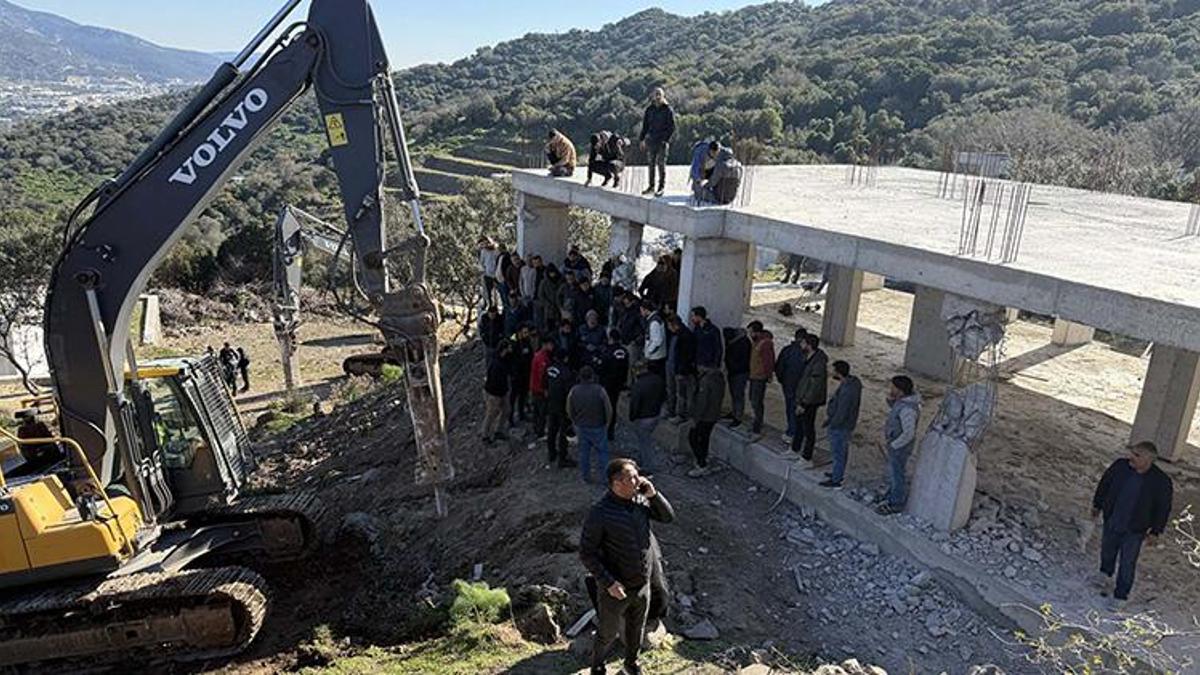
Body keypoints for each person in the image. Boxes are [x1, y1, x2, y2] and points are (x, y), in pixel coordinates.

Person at [580, 458, 675, 675]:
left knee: (636, 631)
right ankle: (598, 667)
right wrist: (609, 582)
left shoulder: (641, 502)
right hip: (615, 590)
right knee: (607, 633)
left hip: (642, 587)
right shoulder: (600, 512)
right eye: (631, 477)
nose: (638, 480)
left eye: (637, 475)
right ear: (616, 483)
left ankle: (631, 664)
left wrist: (654, 495)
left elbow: (668, 517)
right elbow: (587, 553)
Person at [1091, 441, 1174, 607]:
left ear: (1149, 459)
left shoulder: (1161, 481)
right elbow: (1105, 483)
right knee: (1107, 549)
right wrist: (1097, 504)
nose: (1131, 457)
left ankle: (1121, 596)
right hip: (1113, 519)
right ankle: (1105, 574)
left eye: (1137, 455)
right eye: (1132, 452)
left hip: (1135, 529)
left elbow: (1163, 508)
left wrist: (1156, 532)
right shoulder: (1120, 466)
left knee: (1127, 562)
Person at [879, 375, 921, 515]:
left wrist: (894, 445)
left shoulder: (908, 410)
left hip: (899, 448)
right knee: (893, 471)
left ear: (901, 391)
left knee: (898, 474)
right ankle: (892, 495)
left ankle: (896, 503)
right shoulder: (902, 402)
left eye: (893, 388)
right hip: (896, 445)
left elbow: (909, 433)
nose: (891, 389)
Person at [821, 361, 861, 489]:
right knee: (840, 453)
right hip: (844, 425)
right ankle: (836, 474)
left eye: (833, 370)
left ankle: (836, 480)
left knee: (838, 453)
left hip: (841, 427)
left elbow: (842, 412)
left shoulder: (847, 390)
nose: (831, 372)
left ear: (838, 372)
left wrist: (832, 424)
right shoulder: (851, 384)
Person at [569, 366, 613, 484]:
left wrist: (574, 422)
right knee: (602, 452)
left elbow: (569, 408)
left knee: (584, 453)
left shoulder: (574, 390)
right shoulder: (600, 390)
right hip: (598, 425)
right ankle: (605, 478)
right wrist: (607, 423)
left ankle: (586, 477)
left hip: (581, 426)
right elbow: (608, 409)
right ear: (592, 376)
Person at [791, 334, 828, 466]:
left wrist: (804, 403)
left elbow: (814, 386)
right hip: (803, 398)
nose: (800, 345)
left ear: (809, 345)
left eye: (803, 343)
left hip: (810, 402)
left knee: (808, 428)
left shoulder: (818, 362)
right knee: (799, 424)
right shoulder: (808, 357)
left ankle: (807, 457)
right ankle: (794, 449)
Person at [688, 355, 726, 478]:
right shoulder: (719, 378)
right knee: (704, 439)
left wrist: (695, 419)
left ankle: (701, 463)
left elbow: (702, 402)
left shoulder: (706, 381)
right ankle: (703, 459)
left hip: (705, 416)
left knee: (693, 437)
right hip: (714, 414)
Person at [628, 362, 666, 473]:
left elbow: (635, 403)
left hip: (643, 417)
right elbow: (664, 396)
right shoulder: (658, 380)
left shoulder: (638, 385)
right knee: (645, 440)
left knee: (644, 442)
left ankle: (648, 466)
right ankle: (643, 460)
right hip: (655, 414)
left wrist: (632, 416)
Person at [639, 87, 676, 197]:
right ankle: (651, 187)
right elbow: (645, 126)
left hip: (662, 142)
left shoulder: (668, 109)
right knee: (651, 165)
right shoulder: (649, 109)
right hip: (651, 141)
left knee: (661, 165)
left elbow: (672, 127)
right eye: (656, 94)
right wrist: (642, 139)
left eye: (659, 94)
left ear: (663, 96)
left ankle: (661, 187)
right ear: (653, 96)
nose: (658, 96)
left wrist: (665, 140)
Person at [774, 328, 808, 444]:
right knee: (801, 411)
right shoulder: (808, 353)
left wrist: (781, 380)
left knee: (790, 409)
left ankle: (791, 432)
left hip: (788, 385)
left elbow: (779, 367)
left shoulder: (787, 350)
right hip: (802, 389)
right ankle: (799, 434)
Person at [545, 352, 578, 469]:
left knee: (552, 429)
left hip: (551, 403)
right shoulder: (566, 373)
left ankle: (551, 453)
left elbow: (545, 383)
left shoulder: (549, 369)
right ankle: (562, 458)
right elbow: (570, 392)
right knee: (563, 432)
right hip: (562, 406)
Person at [600, 329, 630, 441]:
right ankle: (610, 431)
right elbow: (626, 367)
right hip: (618, 384)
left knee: (605, 407)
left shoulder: (607, 351)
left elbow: (602, 367)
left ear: (611, 338)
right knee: (613, 406)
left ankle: (604, 430)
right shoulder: (624, 351)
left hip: (607, 383)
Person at [665, 315, 696, 422]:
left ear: (674, 325)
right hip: (671, 365)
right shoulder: (674, 334)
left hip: (680, 369)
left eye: (669, 325)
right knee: (671, 390)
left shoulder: (685, 336)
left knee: (680, 393)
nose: (668, 327)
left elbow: (686, 355)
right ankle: (670, 411)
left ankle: (680, 414)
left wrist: (682, 370)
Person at [481, 341, 512, 445]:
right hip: (494, 392)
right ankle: (485, 435)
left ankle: (499, 431)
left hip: (502, 390)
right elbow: (494, 380)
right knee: (491, 413)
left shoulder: (504, 359)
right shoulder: (496, 363)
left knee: (506, 410)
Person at [748, 323, 775, 435]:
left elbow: (768, 362)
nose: (750, 334)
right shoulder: (757, 342)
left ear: (757, 332)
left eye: (751, 332)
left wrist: (768, 375)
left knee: (756, 401)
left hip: (760, 377)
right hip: (754, 376)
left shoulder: (765, 343)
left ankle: (757, 427)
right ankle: (756, 423)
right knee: (753, 399)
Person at [723, 326, 751, 428]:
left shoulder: (743, 343)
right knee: (734, 394)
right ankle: (734, 413)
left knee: (738, 395)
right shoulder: (736, 341)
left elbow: (743, 361)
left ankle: (738, 417)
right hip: (734, 371)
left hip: (740, 373)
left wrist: (732, 367)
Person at [507, 325, 535, 427]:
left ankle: (522, 413)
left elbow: (530, 356)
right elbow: (510, 359)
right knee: (513, 397)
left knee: (523, 395)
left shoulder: (527, 342)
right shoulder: (513, 344)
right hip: (516, 375)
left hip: (525, 373)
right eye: (524, 332)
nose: (526, 335)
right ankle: (510, 418)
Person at [530, 337, 554, 440]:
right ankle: (540, 432)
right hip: (539, 389)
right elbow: (541, 376)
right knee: (541, 411)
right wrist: (545, 389)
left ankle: (536, 429)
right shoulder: (542, 359)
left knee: (537, 411)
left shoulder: (538, 355)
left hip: (534, 387)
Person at [536, 264, 564, 335]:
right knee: (549, 327)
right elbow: (540, 295)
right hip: (549, 309)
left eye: (553, 272)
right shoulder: (544, 282)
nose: (552, 274)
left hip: (560, 307)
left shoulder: (561, 281)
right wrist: (547, 304)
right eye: (550, 272)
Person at [641, 300, 667, 376]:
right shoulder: (655, 320)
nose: (641, 313)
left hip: (655, 357)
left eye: (642, 310)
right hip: (657, 356)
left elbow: (657, 341)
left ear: (646, 310)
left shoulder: (654, 322)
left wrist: (649, 352)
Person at [478, 237, 502, 307]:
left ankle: (497, 305)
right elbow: (481, 262)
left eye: (487, 243)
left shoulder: (496, 251)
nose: (486, 245)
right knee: (488, 292)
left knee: (499, 291)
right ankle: (489, 305)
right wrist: (483, 270)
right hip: (487, 274)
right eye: (485, 243)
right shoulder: (483, 251)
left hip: (497, 275)